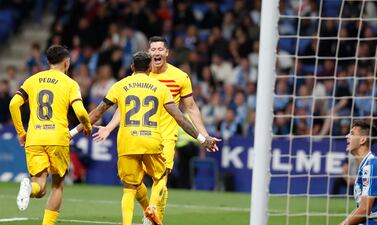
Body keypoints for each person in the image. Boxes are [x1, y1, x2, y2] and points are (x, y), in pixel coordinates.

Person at [70, 51, 219, 225]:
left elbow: (97, 113)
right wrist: (202, 139)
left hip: (127, 142)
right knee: (161, 176)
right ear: (149, 68)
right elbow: (179, 117)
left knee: (129, 188)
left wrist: (73, 132)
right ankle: (152, 208)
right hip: (151, 141)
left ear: (132, 67)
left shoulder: (120, 85)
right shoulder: (161, 88)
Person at [9, 45, 92, 225]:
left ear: (48, 62)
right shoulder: (70, 83)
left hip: (35, 137)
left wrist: (21, 133)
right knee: (57, 186)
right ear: (67, 62)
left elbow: (13, 105)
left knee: (40, 188)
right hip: (57, 138)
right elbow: (81, 111)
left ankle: (29, 188)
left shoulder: (32, 80)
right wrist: (86, 126)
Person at [339, 121, 377, 225]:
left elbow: (365, 209)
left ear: (363, 139)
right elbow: (361, 208)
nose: (347, 136)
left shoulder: (372, 165)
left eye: (352, 134)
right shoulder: (367, 165)